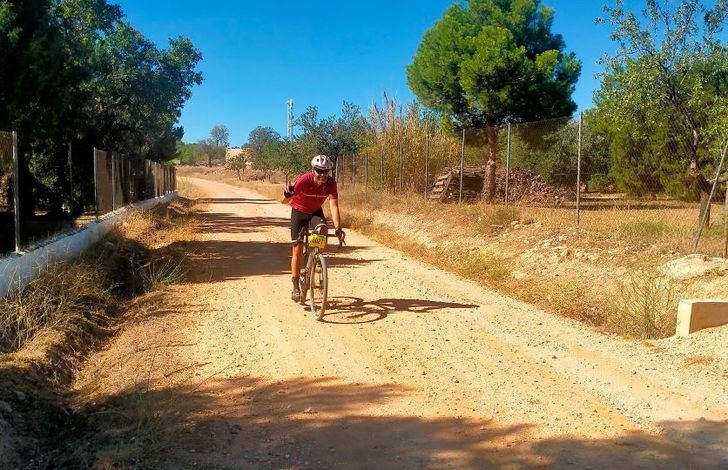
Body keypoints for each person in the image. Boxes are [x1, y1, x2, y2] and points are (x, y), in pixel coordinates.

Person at [280, 155, 345, 302]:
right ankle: (296, 286)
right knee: (297, 249)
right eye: (319, 171)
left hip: (315, 212)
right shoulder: (304, 180)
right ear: (313, 170)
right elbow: (283, 202)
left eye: (325, 171)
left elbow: (334, 206)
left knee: (322, 229)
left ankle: (316, 257)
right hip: (298, 212)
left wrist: (338, 228)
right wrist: (287, 195)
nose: (322, 175)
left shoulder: (330, 184)